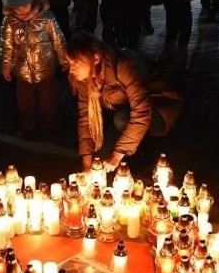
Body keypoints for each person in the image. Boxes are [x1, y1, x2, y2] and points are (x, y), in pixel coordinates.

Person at [65, 32, 181, 172]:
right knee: (99, 162)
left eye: (77, 63)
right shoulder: (84, 80)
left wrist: (117, 155)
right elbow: (86, 118)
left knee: (121, 120)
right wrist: (86, 162)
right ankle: (130, 146)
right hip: (125, 108)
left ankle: (146, 151)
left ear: (95, 58)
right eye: (70, 63)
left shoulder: (124, 65)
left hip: (159, 106)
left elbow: (142, 111)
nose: (71, 69)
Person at [0, 0, 67, 139]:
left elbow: (58, 39)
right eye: (16, 7)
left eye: (23, 5)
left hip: (45, 69)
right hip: (22, 72)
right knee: (25, 103)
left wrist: (64, 58)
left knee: (48, 102)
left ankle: (49, 127)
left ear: (32, 0)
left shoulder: (47, 18)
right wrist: (6, 64)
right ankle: (27, 128)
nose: (20, 10)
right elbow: (6, 45)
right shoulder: (9, 22)